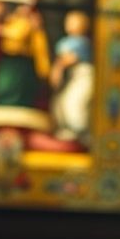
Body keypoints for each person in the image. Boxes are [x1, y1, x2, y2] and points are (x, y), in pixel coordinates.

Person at [49, 9, 94, 144]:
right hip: (71, 76)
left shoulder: (81, 42)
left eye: (74, 21)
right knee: (60, 103)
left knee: (74, 102)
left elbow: (70, 58)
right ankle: (67, 130)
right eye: (68, 21)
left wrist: (58, 67)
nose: (69, 24)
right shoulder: (66, 41)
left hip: (82, 74)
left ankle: (80, 132)